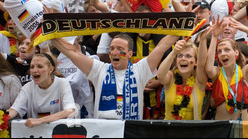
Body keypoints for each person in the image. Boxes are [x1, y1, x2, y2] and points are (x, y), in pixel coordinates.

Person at [50, 33, 180, 120]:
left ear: (130, 53)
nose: (114, 52)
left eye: (119, 48)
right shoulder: (99, 69)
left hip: (129, 131)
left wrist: (183, 26)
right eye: (111, 48)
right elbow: (70, 52)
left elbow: (161, 47)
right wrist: (50, 34)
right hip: (104, 131)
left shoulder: (140, 69)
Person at [206, 16, 248, 120]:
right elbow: (208, 68)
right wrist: (214, 37)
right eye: (219, 51)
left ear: (236, 52)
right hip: (220, 127)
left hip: (241, 126)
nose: (222, 54)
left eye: (227, 50)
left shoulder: (245, 72)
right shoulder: (216, 73)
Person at [7, 53, 77, 128]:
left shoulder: (62, 83)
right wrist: (2, 117)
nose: (34, 70)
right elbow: (14, 110)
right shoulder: (27, 87)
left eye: (39, 67)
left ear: (51, 69)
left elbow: (70, 110)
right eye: (32, 67)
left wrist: (41, 121)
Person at [158, 36, 207, 120]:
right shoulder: (170, 77)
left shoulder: (199, 80)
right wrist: (174, 52)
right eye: (180, 55)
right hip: (170, 130)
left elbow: (202, 63)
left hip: (193, 131)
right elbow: (160, 76)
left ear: (195, 62)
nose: (183, 59)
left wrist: (203, 39)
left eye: (188, 56)